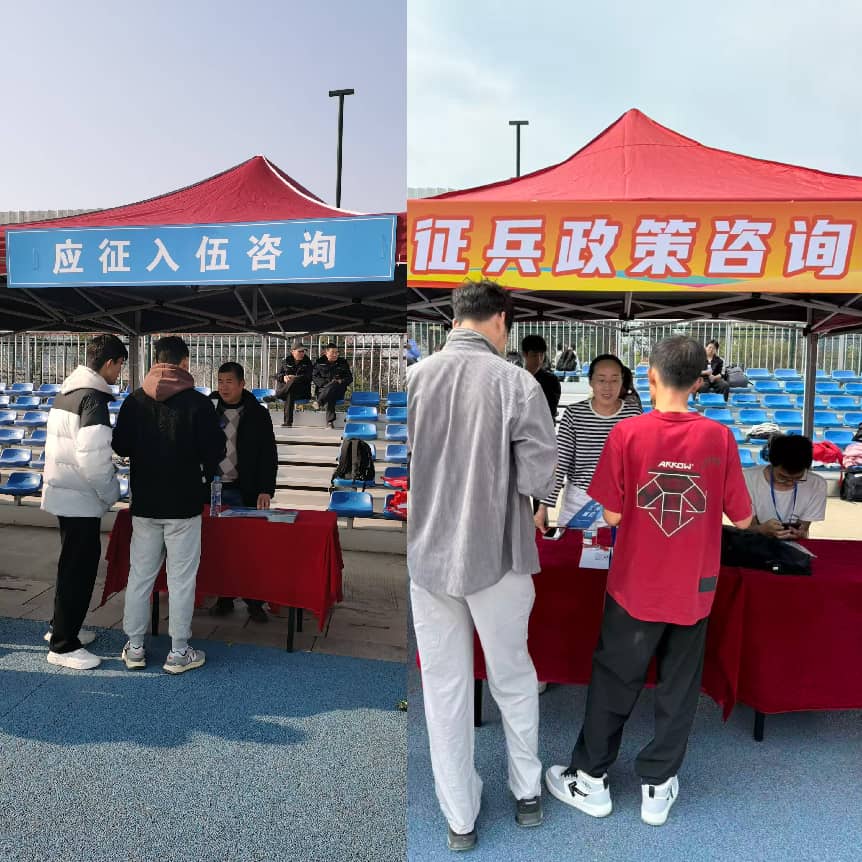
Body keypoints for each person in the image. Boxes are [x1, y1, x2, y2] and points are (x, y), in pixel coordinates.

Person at [545, 336, 752, 827]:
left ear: (651, 377)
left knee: (615, 680)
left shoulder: (628, 432)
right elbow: (743, 519)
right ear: (699, 381)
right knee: (679, 687)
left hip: (636, 584)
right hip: (694, 588)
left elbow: (612, 515)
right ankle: (658, 786)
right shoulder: (720, 437)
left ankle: (590, 779)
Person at [409, 279, 557, 851]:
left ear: (454, 319)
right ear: (500, 320)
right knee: (513, 676)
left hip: (429, 554)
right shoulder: (516, 382)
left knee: (443, 687)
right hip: (499, 552)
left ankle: (459, 816)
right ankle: (527, 791)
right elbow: (539, 477)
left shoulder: (415, 377)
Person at [112, 336, 225, 674]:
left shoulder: (134, 401)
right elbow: (215, 451)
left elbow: (120, 445)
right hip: (184, 504)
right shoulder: (198, 403)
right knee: (181, 580)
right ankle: (178, 651)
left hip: (145, 502)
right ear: (184, 362)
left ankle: (135, 647)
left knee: (140, 576)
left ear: (155, 361)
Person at [41, 334, 127, 670]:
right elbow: (94, 460)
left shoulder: (68, 391)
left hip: (65, 493)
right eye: (120, 366)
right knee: (79, 571)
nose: (119, 373)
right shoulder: (93, 399)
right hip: (80, 498)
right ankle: (63, 646)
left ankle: (60, 628)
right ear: (110, 363)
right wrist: (112, 492)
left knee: (69, 567)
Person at [535, 354, 641, 533]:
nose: (607, 387)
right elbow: (561, 462)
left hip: (618, 505)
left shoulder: (633, 415)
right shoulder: (574, 414)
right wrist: (544, 506)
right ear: (590, 381)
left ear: (622, 381)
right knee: (573, 548)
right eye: (601, 380)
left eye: (614, 380)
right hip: (578, 502)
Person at [209, 361, 278, 623]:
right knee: (220, 549)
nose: (223, 387)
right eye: (220, 381)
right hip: (214, 489)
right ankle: (224, 598)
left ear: (241, 384)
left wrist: (265, 489)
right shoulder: (209, 408)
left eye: (229, 381)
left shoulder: (257, 413)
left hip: (244, 490)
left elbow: (268, 454)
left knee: (248, 549)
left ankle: (254, 601)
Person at [743, 434, 827, 539]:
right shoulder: (747, 479)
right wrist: (761, 530)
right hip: (755, 541)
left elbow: (803, 528)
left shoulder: (817, 484)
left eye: (798, 478)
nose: (790, 483)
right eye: (782, 477)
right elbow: (747, 529)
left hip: (794, 544)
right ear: (771, 463)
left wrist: (800, 533)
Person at [271, 338, 313, 428]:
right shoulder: (286, 361)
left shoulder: (308, 362)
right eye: (300, 351)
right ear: (292, 351)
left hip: (302, 392)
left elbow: (309, 377)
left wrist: (296, 378)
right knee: (290, 392)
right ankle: (288, 422)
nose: (302, 353)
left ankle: (276, 396)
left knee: (293, 382)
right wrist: (283, 378)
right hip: (288, 391)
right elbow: (276, 375)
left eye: (303, 351)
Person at [312, 343, 353, 429]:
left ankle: (319, 402)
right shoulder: (319, 363)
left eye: (337, 352)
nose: (335, 354)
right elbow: (315, 377)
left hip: (339, 390)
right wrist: (327, 385)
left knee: (334, 384)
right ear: (326, 353)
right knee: (330, 393)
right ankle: (330, 422)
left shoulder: (342, 362)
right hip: (323, 390)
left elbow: (349, 378)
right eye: (333, 352)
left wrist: (341, 381)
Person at [522, 335, 560, 421]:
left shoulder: (551, 380)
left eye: (542, 355)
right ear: (524, 354)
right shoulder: (516, 378)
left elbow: (550, 409)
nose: (539, 360)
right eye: (534, 355)